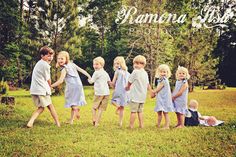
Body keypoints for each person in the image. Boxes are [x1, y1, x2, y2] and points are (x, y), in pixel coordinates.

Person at [51, 51, 91, 124]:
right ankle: (71, 120)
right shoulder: (72, 64)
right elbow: (82, 70)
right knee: (73, 102)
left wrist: (50, 86)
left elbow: (60, 81)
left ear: (66, 59)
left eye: (62, 59)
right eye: (58, 59)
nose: (60, 60)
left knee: (71, 102)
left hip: (72, 87)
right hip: (79, 86)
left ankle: (76, 110)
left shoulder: (64, 69)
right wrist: (89, 76)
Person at [27, 46, 60, 128]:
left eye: (52, 56)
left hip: (35, 89)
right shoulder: (45, 65)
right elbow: (48, 79)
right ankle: (58, 123)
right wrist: (50, 86)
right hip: (42, 89)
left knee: (41, 108)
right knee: (50, 106)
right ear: (42, 56)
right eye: (48, 56)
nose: (51, 58)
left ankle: (30, 122)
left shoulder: (39, 63)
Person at [125, 55, 151, 129]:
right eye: (136, 63)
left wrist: (127, 87)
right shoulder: (145, 73)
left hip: (135, 96)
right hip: (142, 96)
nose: (137, 65)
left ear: (144, 65)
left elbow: (130, 81)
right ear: (133, 64)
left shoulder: (135, 72)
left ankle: (131, 125)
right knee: (140, 111)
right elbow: (147, 84)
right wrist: (151, 91)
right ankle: (141, 125)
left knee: (133, 111)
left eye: (140, 63)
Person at [88, 57, 111, 127]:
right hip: (106, 93)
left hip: (99, 93)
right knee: (101, 109)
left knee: (94, 107)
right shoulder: (105, 73)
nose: (95, 66)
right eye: (94, 64)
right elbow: (109, 81)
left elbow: (91, 81)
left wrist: (89, 79)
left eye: (97, 64)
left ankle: (94, 119)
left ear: (101, 65)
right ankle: (97, 123)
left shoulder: (96, 72)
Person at [152, 64, 174, 129]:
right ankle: (158, 124)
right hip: (160, 98)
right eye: (161, 72)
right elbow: (159, 89)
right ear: (158, 72)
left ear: (167, 73)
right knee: (159, 112)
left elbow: (158, 89)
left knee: (165, 112)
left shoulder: (164, 80)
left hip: (165, 99)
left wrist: (153, 92)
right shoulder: (160, 80)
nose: (162, 73)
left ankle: (167, 126)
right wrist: (156, 93)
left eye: (164, 72)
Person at [110, 56, 130, 127]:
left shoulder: (117, 71)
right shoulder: (127, 73)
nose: (116, 65)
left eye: (118, 63)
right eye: (115, 63)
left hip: (119, 90)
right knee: (122, 107)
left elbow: (113, 82)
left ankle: (117, 107)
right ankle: (120, 122)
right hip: (125, 91)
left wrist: (109, 83)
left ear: (122, 64)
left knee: (113, 101)